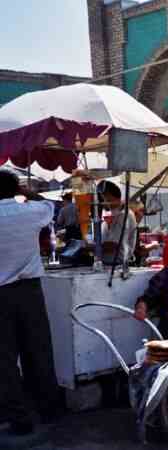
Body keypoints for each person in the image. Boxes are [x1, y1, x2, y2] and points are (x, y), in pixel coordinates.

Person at [0, 170, 59, 436]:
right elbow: (50, 205)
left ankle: (19, 417)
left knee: (5, 359)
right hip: (30, 291)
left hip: (1, 294)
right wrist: (24, 193)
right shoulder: (32, 211)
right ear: (17, 190)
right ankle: (48, 409)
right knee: (38, 350)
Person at [98, 180, 137, 266]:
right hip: (107, 263)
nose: (101, 201)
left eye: (103, 198)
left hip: (118, 265)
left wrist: (92, 247)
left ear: (110, 196)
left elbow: (113, 245)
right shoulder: (108, 213)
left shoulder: (124, 215)